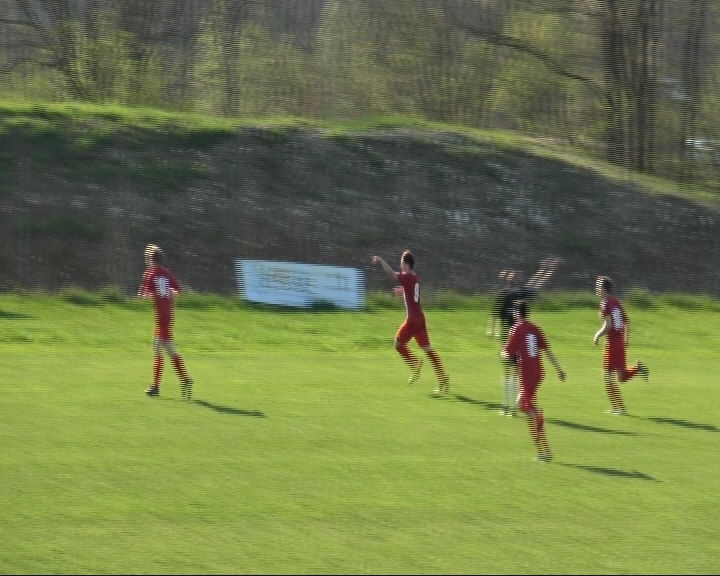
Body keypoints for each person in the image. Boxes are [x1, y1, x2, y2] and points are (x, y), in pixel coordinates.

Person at [487, 258, 559, 417]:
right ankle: (509, 406)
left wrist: (545, 269)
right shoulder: (511, 294)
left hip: (516, 341)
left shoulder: (516, 294)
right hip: (512, 340)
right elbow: (496, 314)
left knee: (511, 374)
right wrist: (494, 331)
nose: (518, 278)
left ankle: (510, 407)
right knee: (510, 373)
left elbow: (536, 283)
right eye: (515, 277)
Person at [372, 250, 450, 396]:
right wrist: (402, 291)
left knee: (398, 344)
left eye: (401, 263)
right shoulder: (414, 277)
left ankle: (415, 365)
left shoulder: (407, 276)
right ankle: (442, 378)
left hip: (412, 320)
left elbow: (391, 274)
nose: (400, 265)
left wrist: (381, 260)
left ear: (406, 264)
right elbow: (413, 290)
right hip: (420, 319)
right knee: (428, 349)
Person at [501, 300, 565, 462]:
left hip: (528, 374)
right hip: (537, 373)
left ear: (516, 313)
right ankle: (543, 452)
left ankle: (538, 415)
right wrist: (559, 370)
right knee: (527, 409)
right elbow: (548, 351)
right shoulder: (534, 328)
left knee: (522, 405)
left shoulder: (515, 328)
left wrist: (502, 352)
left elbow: (507, 353)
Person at [138, 244, 193, 399]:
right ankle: (185, 379)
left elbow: (143, 296)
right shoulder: (167, 273)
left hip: (160, 315)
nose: (146, 261)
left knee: (156, 348)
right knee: (170, 349)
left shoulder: (150, 273)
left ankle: (155, 386)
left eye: (147, 258)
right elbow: (178, 292)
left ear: (150, 259)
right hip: (169, 313)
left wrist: (148, 292)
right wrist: (167, 293)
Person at [593, 276, 649, 415]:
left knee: (607, 378)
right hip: (620, 345)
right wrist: (626, 340)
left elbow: (608, 325)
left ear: (604, 290)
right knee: (621, 377)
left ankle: (619, 409)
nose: (596, 289)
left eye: (598, 286)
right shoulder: (616, 302)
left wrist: (597, 335)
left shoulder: (604, 304)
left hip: (612, 345)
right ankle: (637, 368)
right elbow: (626, 321)